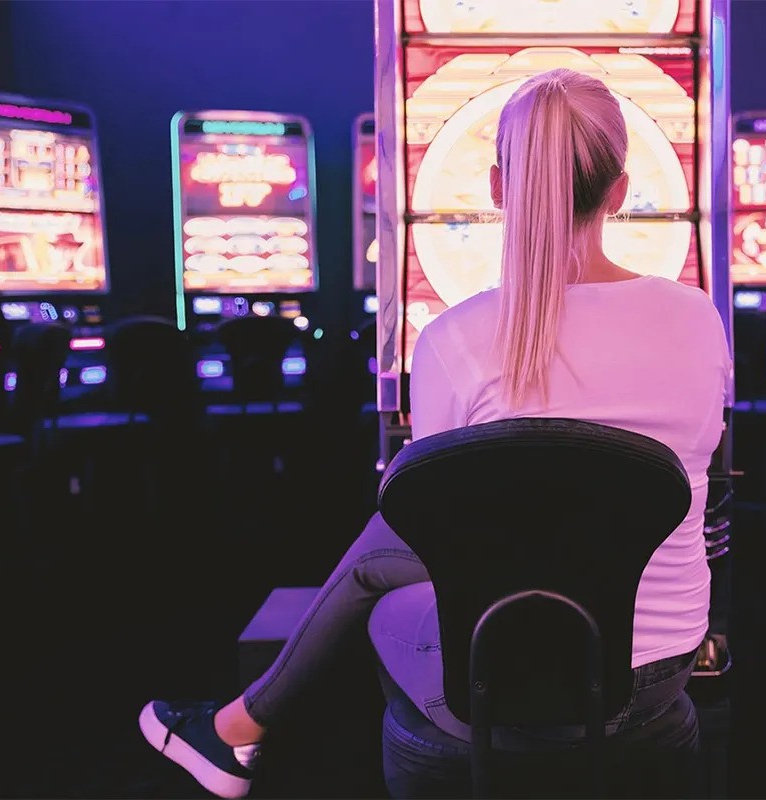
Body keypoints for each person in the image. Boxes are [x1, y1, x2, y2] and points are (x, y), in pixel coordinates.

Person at [139, 68, 730, 799]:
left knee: (383, 568)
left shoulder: (456, 337)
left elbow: (437, 536)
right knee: (389, 552)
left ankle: (240, 731)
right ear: (618, 190)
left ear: (496, 187)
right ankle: (239, 728)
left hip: (498, 675)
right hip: (662, 665)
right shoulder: (698, 319)